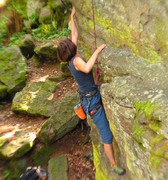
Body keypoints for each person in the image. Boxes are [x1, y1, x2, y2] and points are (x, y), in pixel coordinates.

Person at [57, 7, 125, 176]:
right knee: (107, 136)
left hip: (88, 97)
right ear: (71, 50)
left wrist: (73, 17)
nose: (73, 41)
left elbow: (74, 35)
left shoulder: (70, 61)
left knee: (105, 130)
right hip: (92, 102)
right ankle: (113, 164)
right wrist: (98, 50)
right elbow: (87, 68)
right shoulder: (78, 60)